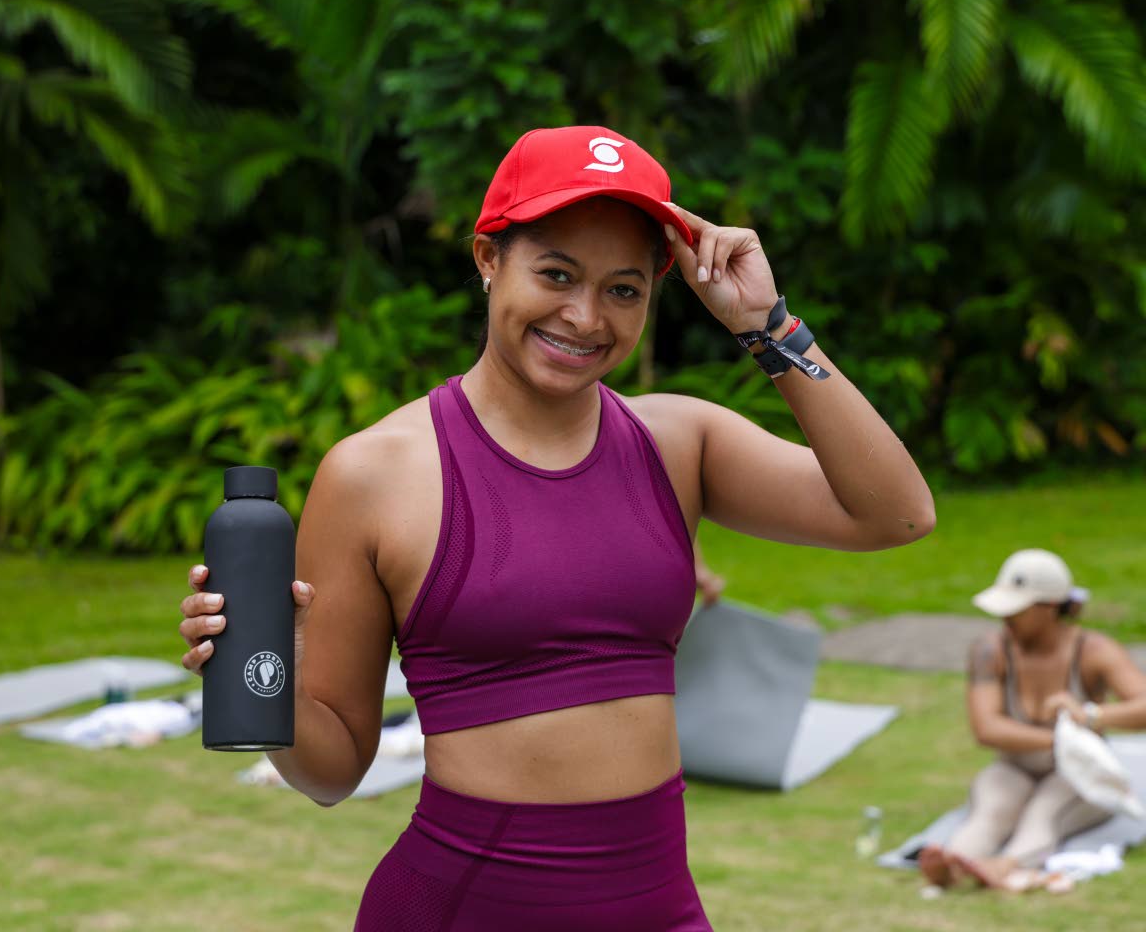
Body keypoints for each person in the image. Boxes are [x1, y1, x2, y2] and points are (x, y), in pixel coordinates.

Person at [178, 125, 935, 929]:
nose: (584, 316)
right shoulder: (376, 475)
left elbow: (896, 512)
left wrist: (769, 325)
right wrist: (264, 680)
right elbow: (332, 771)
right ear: (487, 257)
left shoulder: (677, 444)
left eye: (624, 289)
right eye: (557, 274)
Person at [919, 548, 1146, 892]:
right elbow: (987, 728)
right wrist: (1061, 737)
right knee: (991, 810)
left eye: (1018, 610)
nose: (1006, 619)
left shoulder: (1094, 650)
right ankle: (953, 862)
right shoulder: (990, 650)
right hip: (1015, 765)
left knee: (1043, 815)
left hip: (1077, 770)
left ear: (1050, 607)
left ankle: (1003, 866)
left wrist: (1089, 716)